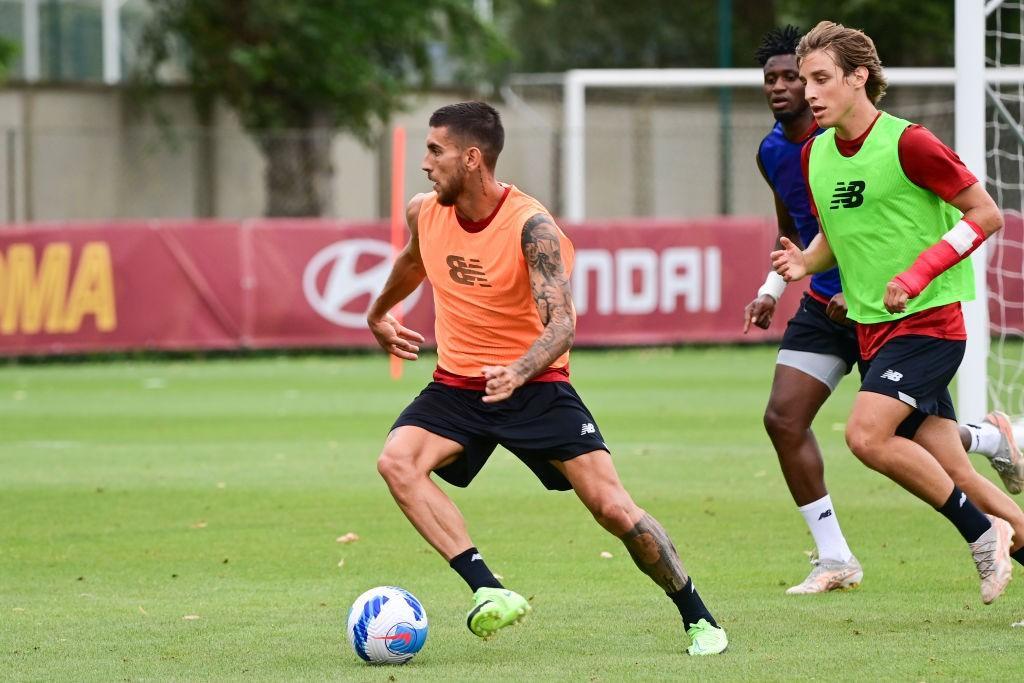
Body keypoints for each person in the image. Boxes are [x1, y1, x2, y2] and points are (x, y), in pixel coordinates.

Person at [366, 101, 728, 655]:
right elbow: (416, 260)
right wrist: (378, 313)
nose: (425, 163)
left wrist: (519, 369)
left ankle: (699, 617)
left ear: (471, 157)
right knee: (397, 462)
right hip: (457, 386)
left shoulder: (531, 226)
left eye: (435, 150)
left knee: (612, 508)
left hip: (536, 387)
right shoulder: (425, 211)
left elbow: (563, 322)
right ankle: (489, 590)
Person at [745, 26, 1024, 595]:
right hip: (874, 331)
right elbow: (832, 235)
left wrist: (917, 273)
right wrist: (802, 265)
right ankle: (999, 514)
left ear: (858, 78)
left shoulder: (909, 143)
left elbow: (985, 215)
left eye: (821, 79)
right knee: (954, 468)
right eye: (806, 80)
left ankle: (978, 531)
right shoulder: (816, 153)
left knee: (866, 435)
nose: (810, 92)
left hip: (930, 325)